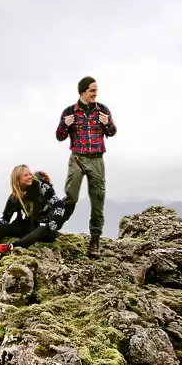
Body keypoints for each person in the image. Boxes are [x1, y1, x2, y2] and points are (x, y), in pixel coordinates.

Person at [0, 165, 67, 263]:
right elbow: (5, 218)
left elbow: (59, 205)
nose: (30, 176)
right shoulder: (15, 197)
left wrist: (53, 223)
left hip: (46, 228)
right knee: (1, 229)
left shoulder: (42, 187)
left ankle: (11, 246)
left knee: (43, 227)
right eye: (25, 175)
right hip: (30, 226)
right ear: (18, 179)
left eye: (29, 174)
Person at [55, 75, 115, 256]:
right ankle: (53, 228)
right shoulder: (69, 112)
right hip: (77, 159)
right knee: (71, 197)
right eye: (92, 90)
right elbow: (59, 136)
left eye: (96, 90)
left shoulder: (103, 110)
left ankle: (95, 241)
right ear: (83, 91)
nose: (95, 94)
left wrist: (108, 123)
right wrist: (64, 125)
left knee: (98, 199)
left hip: (97, 159)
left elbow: (112, 132)